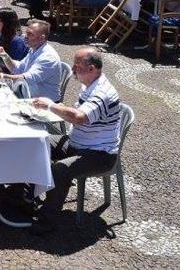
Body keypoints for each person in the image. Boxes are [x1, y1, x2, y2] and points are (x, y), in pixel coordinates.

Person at [30, 47, 122, 235]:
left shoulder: (102, 92)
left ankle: (48, 220)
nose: (72, 69)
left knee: (60, 170)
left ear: (92, 69)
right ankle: (23, 196)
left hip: (99, 154)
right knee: (34, 143)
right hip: (78, 142)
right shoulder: (88, 84)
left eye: (77, 66)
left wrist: (51, 105)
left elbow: (80, 117)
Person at [0, 19, 62, 101]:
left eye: (30, 34)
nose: (25, 36)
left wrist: (1, 76)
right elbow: (18, 69)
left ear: (41, 38)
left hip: (44, 106)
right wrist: (4, 55)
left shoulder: (48, 58)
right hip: (28, 96)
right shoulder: (34, 49)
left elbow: (26, 79)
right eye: (26, 32)